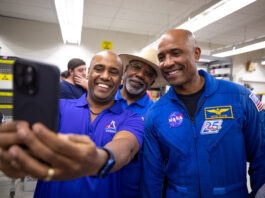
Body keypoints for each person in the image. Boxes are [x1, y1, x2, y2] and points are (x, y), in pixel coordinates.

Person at [0, 51, 144, 198]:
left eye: (113, 72)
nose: (105, 76)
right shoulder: (58, 108)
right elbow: (29, 139)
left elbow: (125, 148)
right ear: (88, 73)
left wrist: (99, 158)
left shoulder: (131, 118)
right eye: (99, 69)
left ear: (121, 79)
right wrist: (15, 152)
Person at [140, 29, 265, 198]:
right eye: (161, 57)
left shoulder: (239, 98)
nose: (167, 63)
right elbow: (152, 179)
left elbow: (261, 157)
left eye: (175, 53)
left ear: (196, 54)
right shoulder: (155, 114)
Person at [117, 49, 167, 198]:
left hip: (133, 192)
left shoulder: (156, 113)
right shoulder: (104, 102)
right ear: (125, 70)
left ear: (151, 82)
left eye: (148, 73)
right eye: (136, 67)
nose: (140, 74)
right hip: (98, 188)